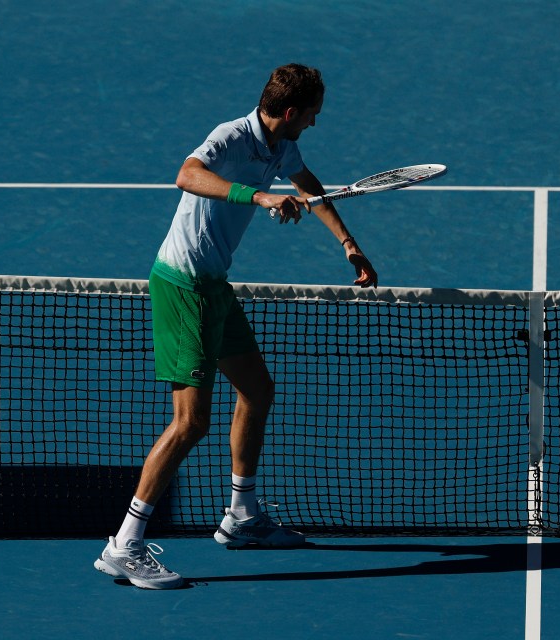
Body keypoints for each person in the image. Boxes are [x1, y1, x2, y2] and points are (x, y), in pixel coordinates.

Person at [94, 63, 377, 589]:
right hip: (182, 284)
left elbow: (308, 184)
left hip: (213, 285)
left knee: (257, 389)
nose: (315, 124)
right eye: (313, 115)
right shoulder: (231, 137)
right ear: (290, 112)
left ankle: (241, 516)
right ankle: (125, 545)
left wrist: (348, 244)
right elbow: (188, 175)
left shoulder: (279, 145)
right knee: (190, 422)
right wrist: (260, 196)